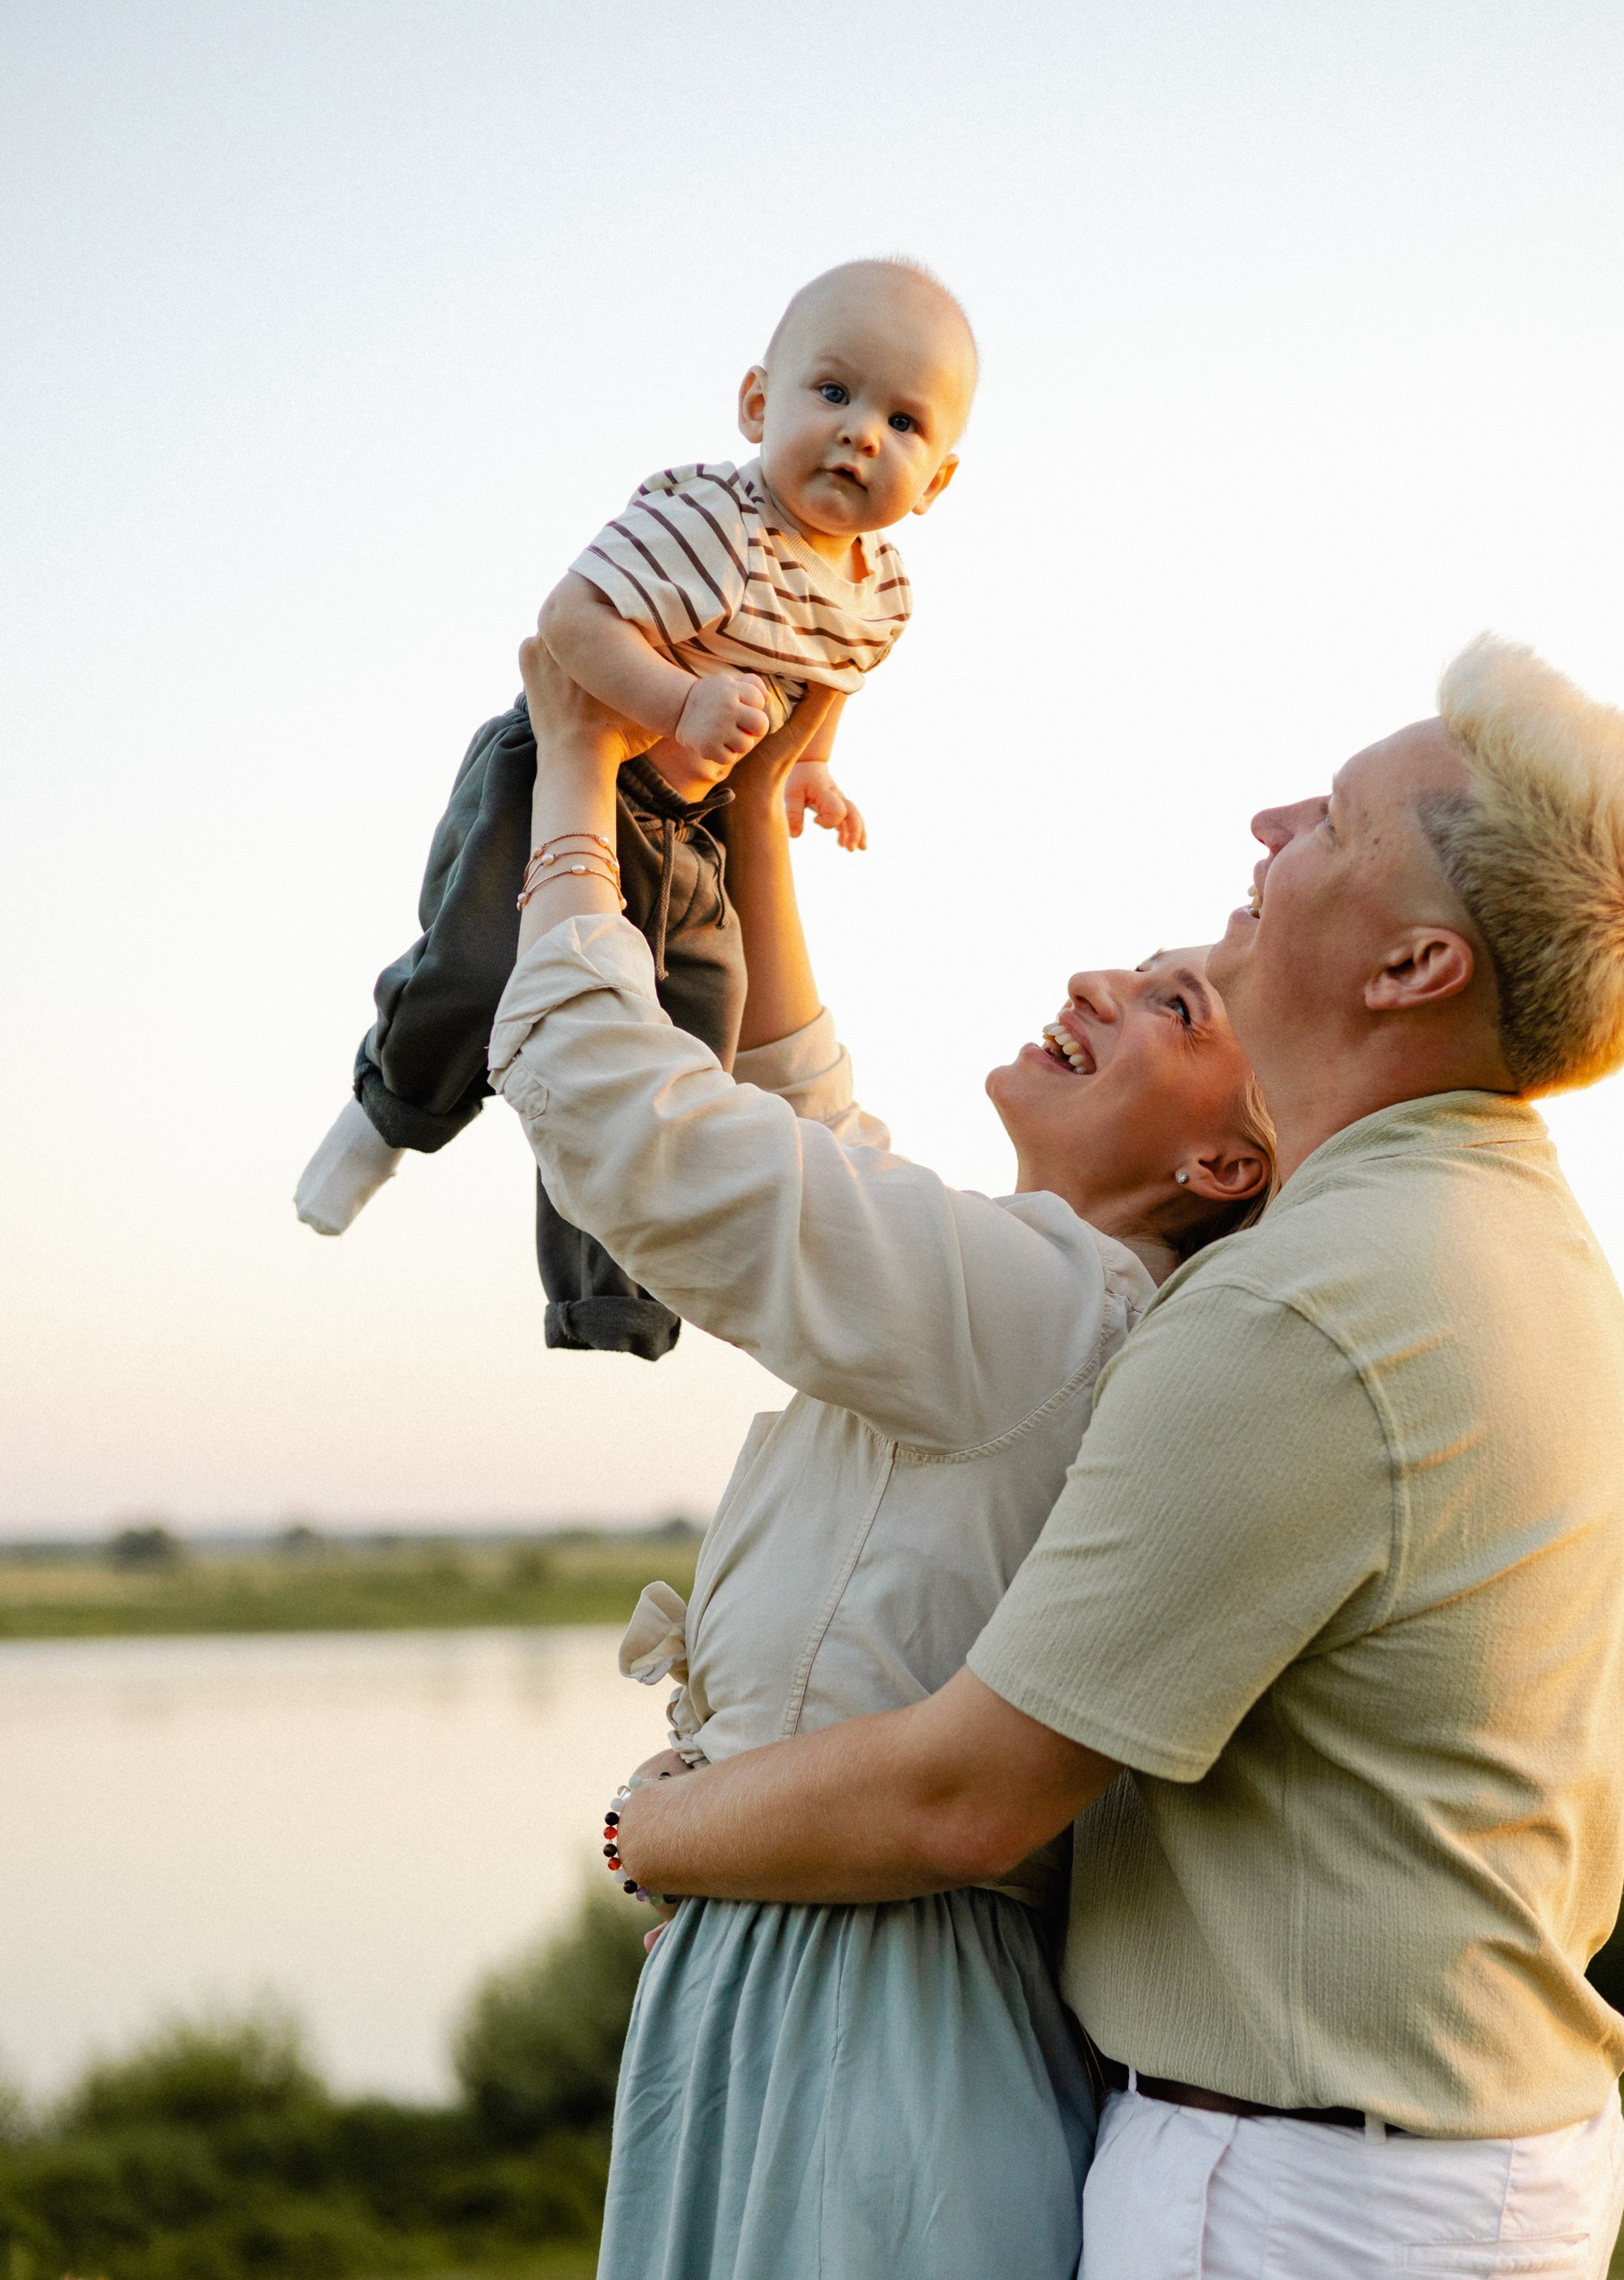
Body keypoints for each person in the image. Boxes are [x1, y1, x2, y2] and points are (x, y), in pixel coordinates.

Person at [610, 635, 1624, 2280]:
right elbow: (876, 1211)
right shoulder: (1485, 1229)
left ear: (1413, 966)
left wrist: (652, 1834)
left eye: (1333, 823)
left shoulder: (1308, 1305)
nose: (1269, 829)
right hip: (1439, 2165)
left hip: (1297, 2199)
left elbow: (964, 1795)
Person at [486, 639, 1275, 2278]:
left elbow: (645, 1135)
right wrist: (763, 811)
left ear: (1222, 1157)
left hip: (871, 2036)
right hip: (838, 2001)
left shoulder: (1038, 1308)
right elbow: (813, 1130)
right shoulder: (1046, 1300)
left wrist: (570, 773)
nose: (1094, 984)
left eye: (1172, 1004)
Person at [293, 258, 977, 1358]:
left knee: (674, 1051)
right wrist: (677, 697)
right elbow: (567, 623)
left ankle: (614, 1298)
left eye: (903, 421)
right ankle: (387, 1117)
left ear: (936, 479)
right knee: (477, 971)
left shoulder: (881, 592)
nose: (859, 435)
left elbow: (830, 676)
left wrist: (806, 768)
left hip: (689, 825)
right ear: (759, 404)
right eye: (833, 394)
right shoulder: (715, 521)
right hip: (559, 764)